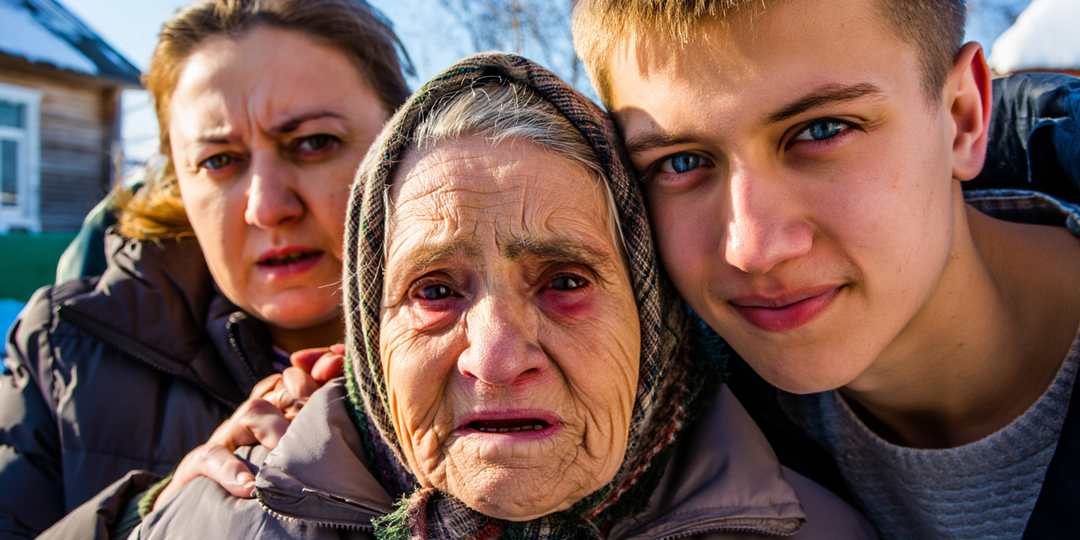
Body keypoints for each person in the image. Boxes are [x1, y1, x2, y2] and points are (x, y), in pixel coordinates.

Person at [126, 53, 877, 540]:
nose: (495, 358)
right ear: (368, 330)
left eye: (565, 282)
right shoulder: (227, 519)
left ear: (655, 319)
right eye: (434, 290)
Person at [571, 0, 1080, 538]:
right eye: (681, 162)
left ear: (961, 118)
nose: (753, 249)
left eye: (821, 129)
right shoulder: (670, 423)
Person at [0, 0, 409, 537]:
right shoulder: (63, 351)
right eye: (219, 161)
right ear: (178, 182)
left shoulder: (514, 341)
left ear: (404, 143)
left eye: (314, 143)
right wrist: (149, 513)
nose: (266, 207)